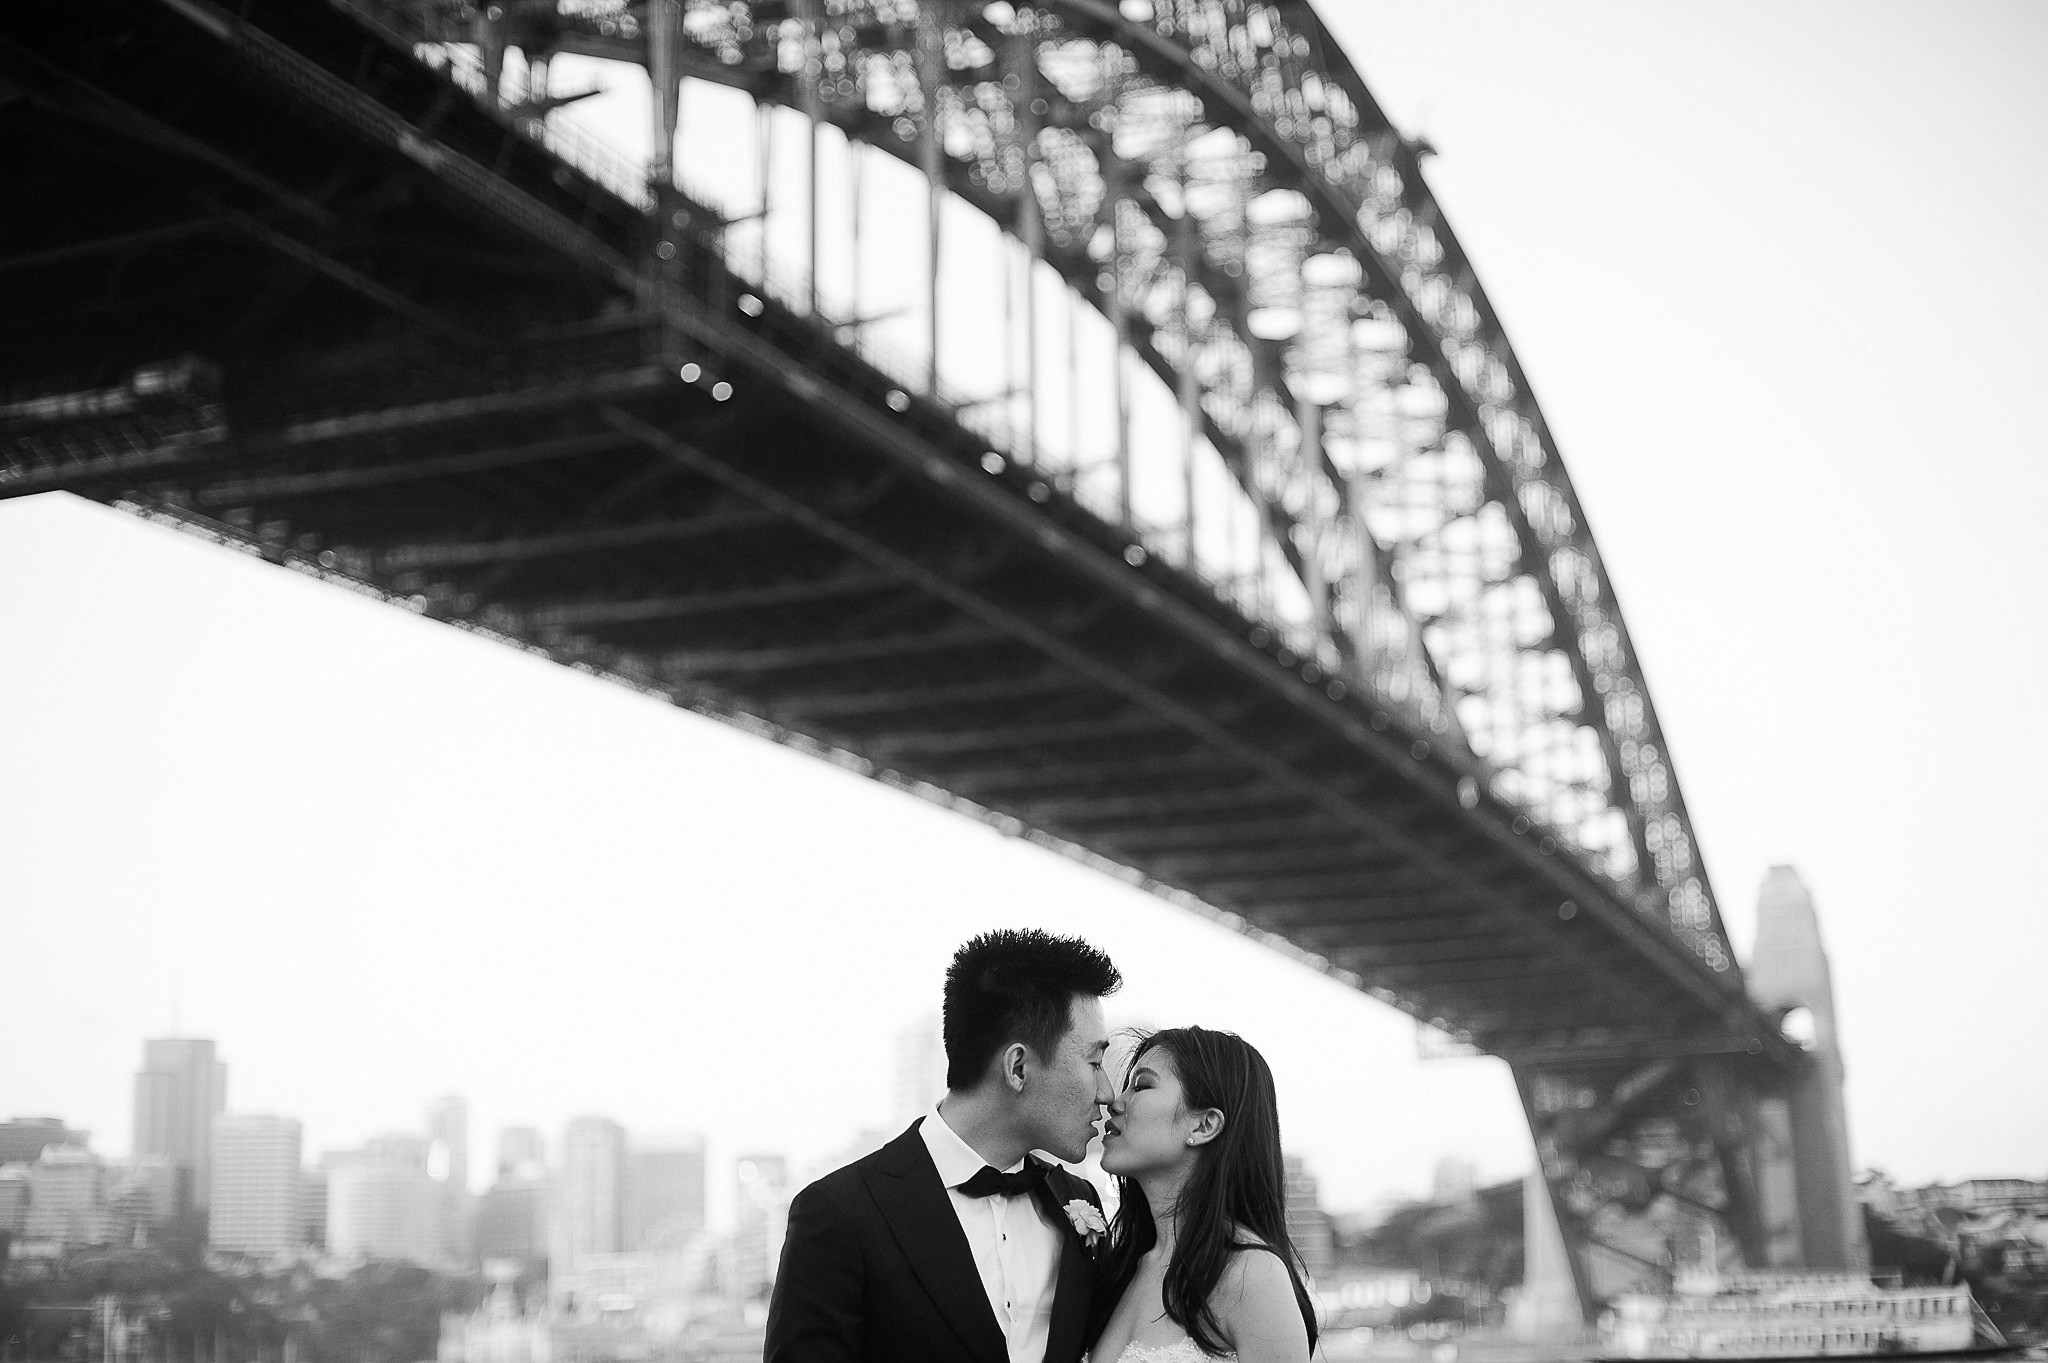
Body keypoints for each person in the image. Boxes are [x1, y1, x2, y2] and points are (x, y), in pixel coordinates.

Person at [765, 928, 1123, 1363]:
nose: (1106, 1092)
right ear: (1018, 1067)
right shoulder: (840, 1215)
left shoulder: (1079, 1201)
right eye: (1094, 1062)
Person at [1085, 1027, 1317, 1363]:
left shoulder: (1250, 1274)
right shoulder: (1120, 1268)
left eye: (1142, 1085)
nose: (1115, 1102)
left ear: (1203, 1126)